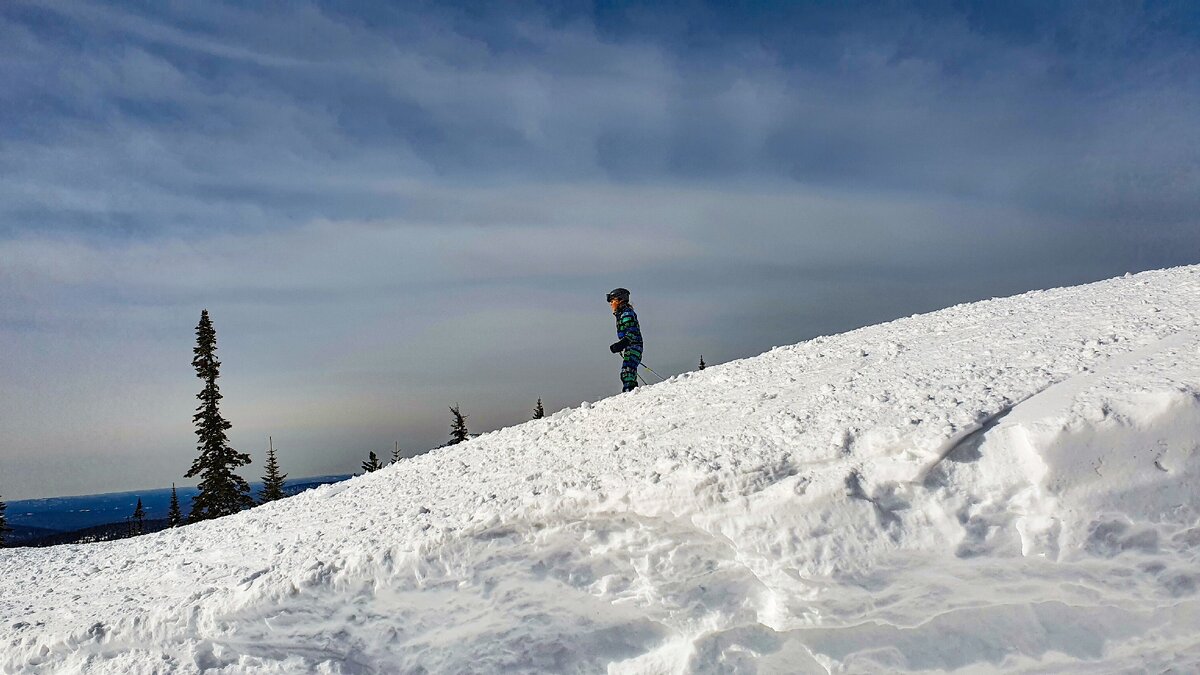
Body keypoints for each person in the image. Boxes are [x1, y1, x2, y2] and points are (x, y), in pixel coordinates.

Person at [607, 288, 643, 392]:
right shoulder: (622, 313)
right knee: (627, 371)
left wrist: (621, 344)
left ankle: (630, 391)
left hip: (634, 345)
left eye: (612, 301)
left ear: (619, 301)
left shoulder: (626, 314)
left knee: (627, 371)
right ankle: (630, 390)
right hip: (630, 346)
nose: (611, 304)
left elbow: (632, 332)